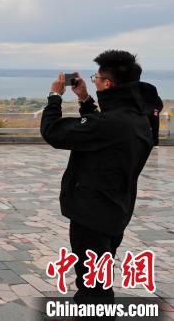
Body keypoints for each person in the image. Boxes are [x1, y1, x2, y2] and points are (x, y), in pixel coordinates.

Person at [40, 50, 161, 309]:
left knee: (93, 288)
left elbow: (53, 132)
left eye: (97, 77)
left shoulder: (111, 124)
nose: (94, 80)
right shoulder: (142, 118)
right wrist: (85, 99)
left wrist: (54, 97)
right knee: (99, 277)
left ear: (108, 83)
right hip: (116, 209)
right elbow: (102, 130)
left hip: (92, 214)